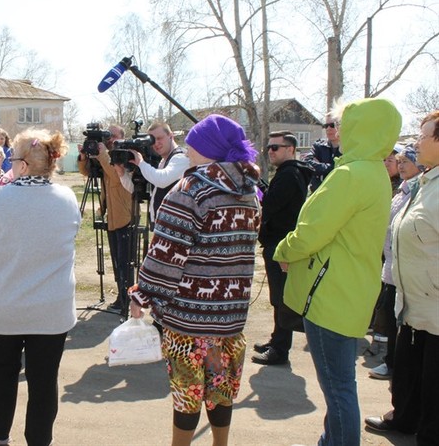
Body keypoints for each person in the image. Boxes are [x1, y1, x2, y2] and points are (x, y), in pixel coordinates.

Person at [274, 97, 401, 446]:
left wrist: (283, 249)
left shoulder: (349, 175)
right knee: (341, 384)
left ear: (361, 127)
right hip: (351, 289)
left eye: (344, 123)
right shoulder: (373, 170)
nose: (338, 131)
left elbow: (311, 232)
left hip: (330, 294)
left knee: (338, 388)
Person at [130, 114, 260, 446]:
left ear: (206, 147)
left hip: (190, 318)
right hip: (229, 317)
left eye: (194, 141)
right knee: (221, 387)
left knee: (188, 390)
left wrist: (142, 295)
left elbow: (166, 254)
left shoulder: (192, 189)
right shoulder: (249, 192)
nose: (187, 146)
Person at [0, 128, 80, 446]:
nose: (9, 165)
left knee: (2, 370)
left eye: (12, 159)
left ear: (24, 165)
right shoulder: (67, 199)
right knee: (44, 380)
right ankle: (39, 440)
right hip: (51, 310)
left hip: (6, 308)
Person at [364, 110, 439, 446]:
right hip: (411, 302)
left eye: (423, 136)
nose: (416, 142)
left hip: (435, 307)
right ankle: (405, 419)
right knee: (410, 373)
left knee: (433, 382)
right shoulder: (426, 183)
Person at [252, 131, 313, 366]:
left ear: (290, 149)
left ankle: (280, 349)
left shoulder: (290, 174)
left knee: (281, 297)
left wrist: (257, 187)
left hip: (281, 243)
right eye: (269, 147)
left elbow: (271, 204)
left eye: (275, 147)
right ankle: (277, 340)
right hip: (277, 242)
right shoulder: (288, 173)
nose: (270, 151)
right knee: (278, 296)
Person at [368, 144, 424, 380]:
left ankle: (395, 365)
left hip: (405, 270)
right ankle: (391, 361)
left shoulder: (418, 190)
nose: (400, 166)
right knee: (389, 318)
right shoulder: (402, 190)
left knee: (399, 322)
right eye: (398, 162)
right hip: (390, 267)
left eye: (405, 162)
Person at [78, 124, 133, 314]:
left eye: (113, 136)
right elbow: (88, 173)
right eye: (107, 137)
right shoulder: (106, 156)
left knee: (125, 261)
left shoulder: (125, 154)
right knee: (117, 261)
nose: (109, 140)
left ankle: (128, 298)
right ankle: (121, 296)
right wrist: (85, 156)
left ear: (122, 137)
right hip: (111, 215)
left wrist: (102, 154)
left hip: (125, 216)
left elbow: (116, 177)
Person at [118, 121, 190, 229]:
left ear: (171, 136)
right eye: (152, 140)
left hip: (174, 227)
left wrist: (141, 163)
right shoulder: (163, 162)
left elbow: (161, 180)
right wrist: (121, 173)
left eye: (159, 138)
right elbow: (136, 190)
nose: (156, 143)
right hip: (163, 225)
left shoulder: (180, 157)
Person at [305, 111, 341, 193]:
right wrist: (332, 167)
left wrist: (320, 167)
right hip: (317, 193)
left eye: (332, 125)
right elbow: (307, 163)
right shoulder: (318, 146)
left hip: (338, 194)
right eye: (326, 126)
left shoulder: (348, 148)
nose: (328, 128)